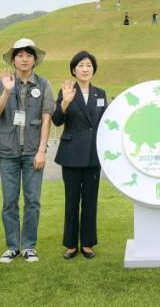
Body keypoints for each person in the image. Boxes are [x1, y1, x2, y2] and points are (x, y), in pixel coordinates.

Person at [0, 38, 55, 263]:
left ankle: (28, 246)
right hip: (7, 151)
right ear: (13, 60)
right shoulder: (2, 83)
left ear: (35, 60)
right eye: (20, 55)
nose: (24, 59)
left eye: (29, 55)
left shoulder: (44, 84)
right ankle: (12, 246)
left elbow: (46, 119)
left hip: (32, 151)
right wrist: (7, 91)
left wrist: (42, 151)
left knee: (32, 200)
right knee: (9, 201)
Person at [51, 51, 108, 260]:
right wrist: (65, 102)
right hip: (72, 154)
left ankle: (87, 243)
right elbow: (57, 120)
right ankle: (70, 244)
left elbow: (106, 122)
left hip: (93, 154)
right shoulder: (66, 91)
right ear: (74, 70)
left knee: (90, 201)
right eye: (81, 65)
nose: (85, 69)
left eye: (89, 65)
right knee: (72, 200)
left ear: (93, 69)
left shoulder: (100, 93)